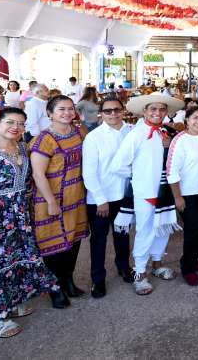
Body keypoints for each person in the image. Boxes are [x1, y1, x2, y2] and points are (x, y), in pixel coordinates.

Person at [0, 108, 58, 337]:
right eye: (9, 122)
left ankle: (13, 302)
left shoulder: (23, 148)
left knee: (18, 260)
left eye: (20, 123)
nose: (15, 127)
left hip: (20, 216)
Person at [110, 93, 185, 295]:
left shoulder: (166, 133)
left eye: (161, 109)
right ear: (144, 111)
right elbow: (118, 165)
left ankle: (157, 264)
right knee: (145, 231)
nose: (157, 113)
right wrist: (139, 178)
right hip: (146, 193)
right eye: (153, 109)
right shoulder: (136, 134)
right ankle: (140, 272)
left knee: (163, 229)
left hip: (165, 192)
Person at [29, 95, 88, 306]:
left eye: (70, 108)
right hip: (50, 199)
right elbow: (38, 175)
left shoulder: (80, 131)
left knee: (73, 241)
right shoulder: (43, 139)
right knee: (52, 246)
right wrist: (51, 202)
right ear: (49, 113)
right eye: (61, 109)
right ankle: (55, 289)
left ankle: (68, 281)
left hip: (77, 196)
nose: (67, 113)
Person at [81, 98, 133, 298]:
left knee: (123, 234)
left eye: (117, 110)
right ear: (101, 113)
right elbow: (89, 172)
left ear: (123, 111)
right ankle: (98, 279)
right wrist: (100, 199)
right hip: (101, 198)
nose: (113, 114)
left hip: (125, 195)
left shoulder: (131, 131)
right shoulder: (94, 137)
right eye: (108, 111)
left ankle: (123, 266)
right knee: (99, 240)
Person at [167, 106, 198, 285]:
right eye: (195, 117)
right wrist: (178, 197)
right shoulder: (180, 141)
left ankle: (193, 261)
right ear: (187, 119)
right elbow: (171, 171)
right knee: (192, 231)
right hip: (186, 194)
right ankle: (187, 267)